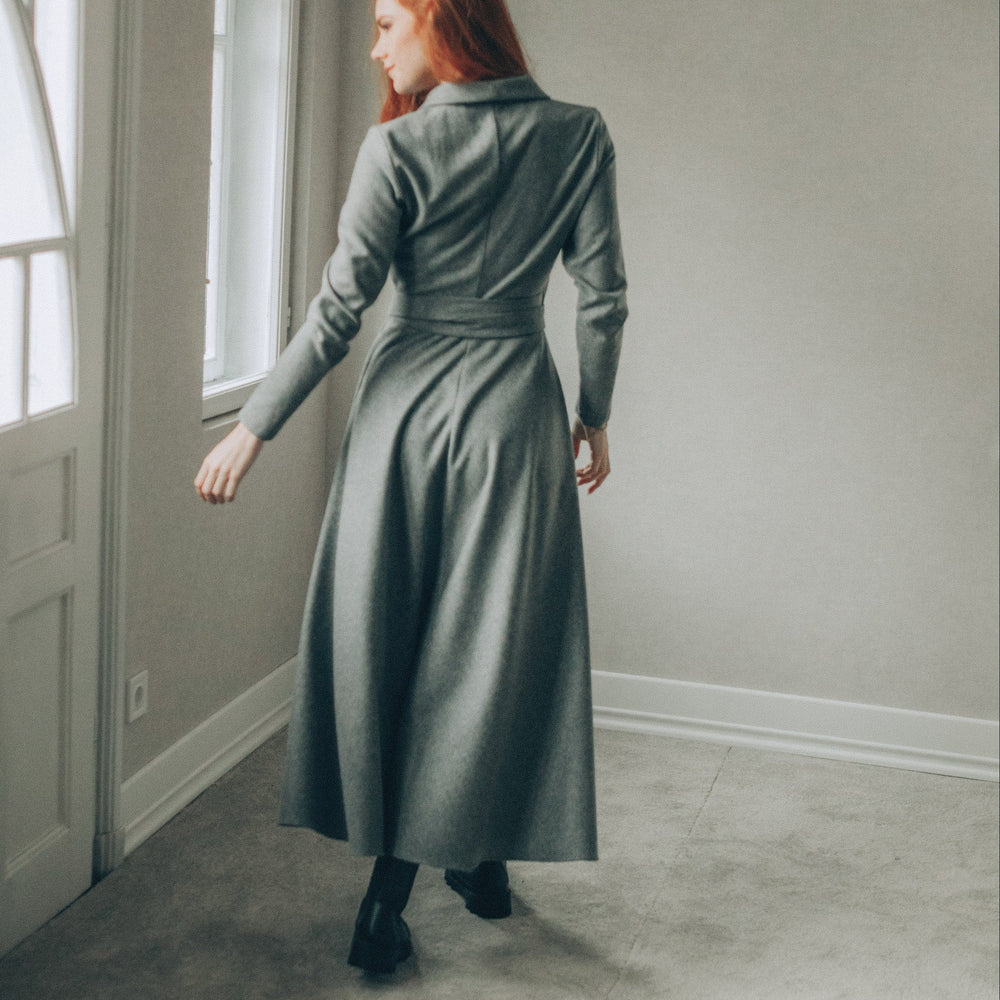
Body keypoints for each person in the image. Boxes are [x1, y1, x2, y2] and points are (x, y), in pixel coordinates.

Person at [195, 0, 627, 976]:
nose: (376, 42)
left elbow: (338, 308)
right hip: (515, 411)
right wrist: (592, 411)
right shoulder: (575, 134)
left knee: (400, 641)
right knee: (485, 647)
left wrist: (252, 425)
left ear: (443, 17)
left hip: (403, 418)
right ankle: (468, 861)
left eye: (389, 20)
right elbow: (602, 293)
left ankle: (400, 897)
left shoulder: (395, 149)